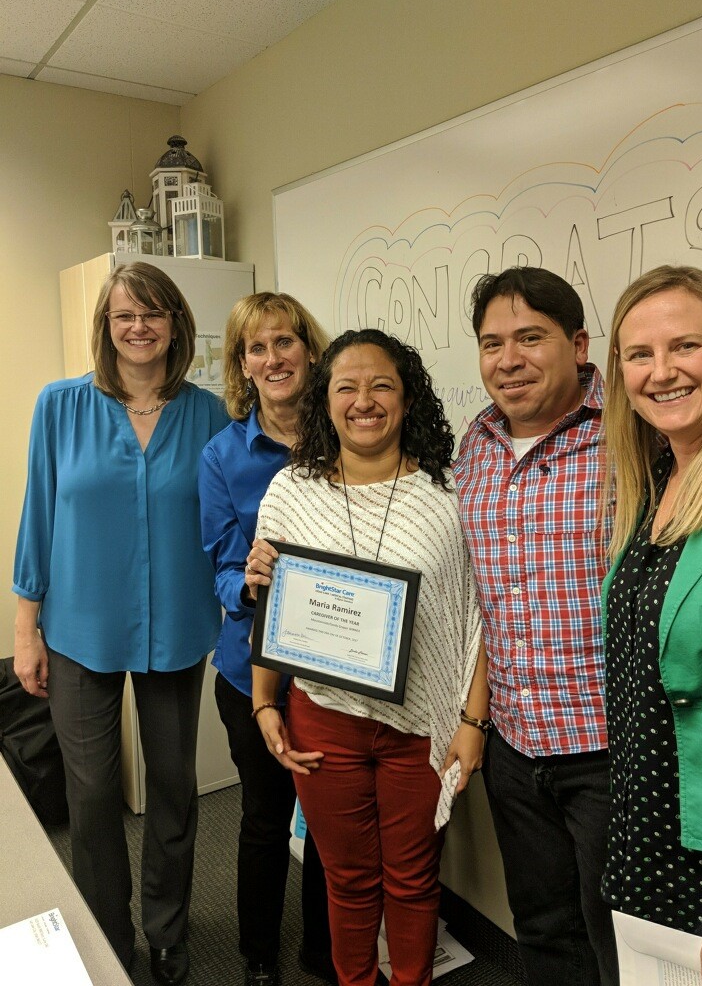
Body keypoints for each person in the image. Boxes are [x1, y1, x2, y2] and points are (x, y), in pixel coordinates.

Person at [245, 328, 488, 986]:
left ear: (408, 398)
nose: (364, 400)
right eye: (346, 387)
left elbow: (475, 619)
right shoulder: (290, 492)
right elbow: (271, 607)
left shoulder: (450, 494)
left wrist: (472, 722)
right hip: (324, 717)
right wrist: (265, 701)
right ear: (325, 401)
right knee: (348, 884)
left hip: (421, 728)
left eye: (381, 385)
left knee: (413, 881)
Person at [13, 261, 228, 985]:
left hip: (175, 627)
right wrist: (25, 628)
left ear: (175, 323)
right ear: (107, 328)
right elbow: (38, 514)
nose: (139, 327)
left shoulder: (209, 414)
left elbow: (230, 517)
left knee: (172, 782)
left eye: (153, 313)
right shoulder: (60, 405)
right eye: (123, 315)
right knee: (94, 792)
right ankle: (106, 927)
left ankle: (166, 927)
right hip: (78, 627)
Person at [601, 264, 702, 986]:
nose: (661, 372)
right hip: (656, 839)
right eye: (640, 355)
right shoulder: (652, 478)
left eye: (684, 347)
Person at [454, 267, 619, 986]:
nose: (508, 360)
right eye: (493, 343)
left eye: (530, 338)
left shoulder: (634, 435)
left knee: (624, 937)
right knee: (543, 930)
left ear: (578, 344)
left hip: (613, 748)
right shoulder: (476, 445)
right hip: (517, 746)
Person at [198, 292, 336, 986]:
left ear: (310, 350)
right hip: (248, 669)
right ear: (242, 365)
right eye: (258, 347)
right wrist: (247, 580)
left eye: (286, 342)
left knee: (326, 818)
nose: (274, 357)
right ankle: (257, 955)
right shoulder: (223, 455)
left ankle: (323, 948)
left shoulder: (348, 428)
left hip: (336, 663)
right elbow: (218, 567)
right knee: (264, 815)